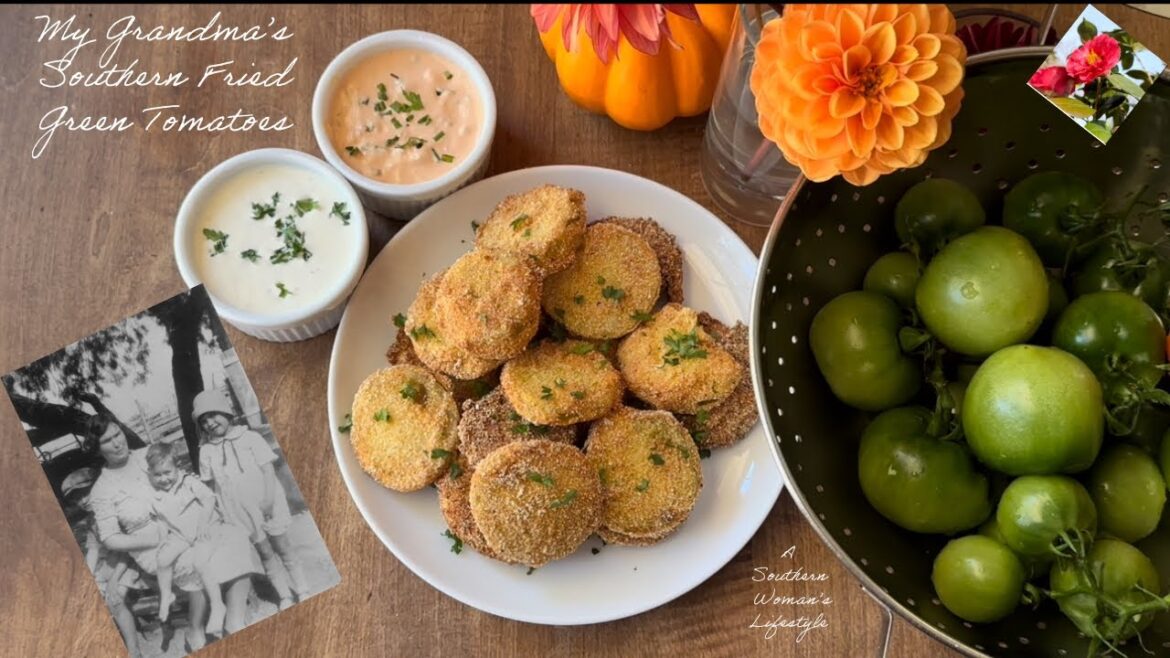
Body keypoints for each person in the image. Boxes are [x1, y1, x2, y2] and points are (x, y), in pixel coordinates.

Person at [84, 414, 261, 649]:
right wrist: (151, 538)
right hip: (151, 545)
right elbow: (109, 538)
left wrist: (190, 485)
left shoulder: (145, 456)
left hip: (185, 523)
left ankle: (234, 621)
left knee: (236, 537)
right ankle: (195, 628)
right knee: (194, 561)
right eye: (108, 440)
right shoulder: (102, 490)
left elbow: (176, 473)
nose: (118, 443)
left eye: (118, 434)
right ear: (97, 449)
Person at [192, 391, 309, 609]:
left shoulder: (250, 438)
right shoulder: (206, 451)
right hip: (238, 510)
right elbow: (211, 486)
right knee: (264, 552)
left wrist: (267, 500)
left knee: (283, 547)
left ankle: (302, 589)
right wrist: (221, 513)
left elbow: (267, 471)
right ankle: (284, 595)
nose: (209, 423)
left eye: (213, 415)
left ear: (226, 412)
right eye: (204, 421)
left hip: (266, 502)